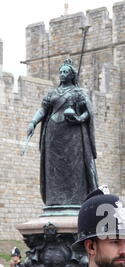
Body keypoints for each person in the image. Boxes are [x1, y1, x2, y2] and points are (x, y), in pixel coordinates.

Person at [26, 58, 98, 206]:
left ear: (72, 75)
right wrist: (33, 122)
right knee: (53, 168)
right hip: (53, 133)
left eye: (65, 72)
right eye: (61, 72)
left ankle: (77, 200)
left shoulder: (79, 93)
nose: (62, 74)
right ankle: (54, 200)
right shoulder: (53, 93)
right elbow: (43, 110)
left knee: (74, 167)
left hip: (73, 135)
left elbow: (88, 112)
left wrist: (79, 119)